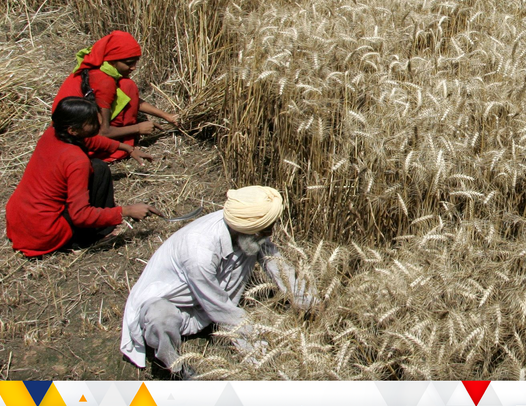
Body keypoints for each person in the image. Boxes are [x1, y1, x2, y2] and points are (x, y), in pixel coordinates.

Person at [120, 186, 316, 376]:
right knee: (160, 318)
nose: (271, 233)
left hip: (205, 303)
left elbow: (276, 265)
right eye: (266, 229)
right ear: (251, 228)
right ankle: (176, 368)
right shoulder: (199, 252)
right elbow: (218, 306)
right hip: (174, 304)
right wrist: (257, 349)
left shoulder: (244, 227)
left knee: (254, 249)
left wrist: (309, 304)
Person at [5, 97, 162, 257]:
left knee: (97, 167)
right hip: (45, 234)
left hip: (20, 222)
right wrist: (126, 211)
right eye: (93, 122)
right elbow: (80, 215)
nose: (100, 123)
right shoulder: (76, 160)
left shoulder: (52, 133)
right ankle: (93, 236)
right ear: (73, 130)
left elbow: (91, 140)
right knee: (99, 169)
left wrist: (127, 148)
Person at [52, 30, 179, 162]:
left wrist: (166, 116)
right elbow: (103, 132)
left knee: (127, 86)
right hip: (74, 138)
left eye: (136, 62)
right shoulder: (104, 81)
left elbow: (132, 100)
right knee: (128, 86)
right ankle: (122, 142)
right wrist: (138, 128)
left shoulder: (100, 65)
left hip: (68, 129)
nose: (134, 68)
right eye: (129, 63)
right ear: (113, 61)